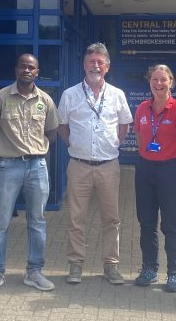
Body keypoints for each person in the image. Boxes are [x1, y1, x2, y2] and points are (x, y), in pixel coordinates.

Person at [0, 54, 60, 294]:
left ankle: (34, 272)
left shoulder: (45, 100)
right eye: (23, 66)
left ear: (37, 72)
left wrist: (35, 151)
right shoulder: (0, 98)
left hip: (37, 167)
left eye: (31, 67)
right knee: (1, 220)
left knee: (37, 221)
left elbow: (52, 133)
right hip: (8, 166)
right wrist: (6, 149)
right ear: (16, 69)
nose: (27, 69)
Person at [58, 42, 133, 285]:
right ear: (84, 64)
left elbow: (124, 126)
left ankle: (111, 265)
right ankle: (75, 264)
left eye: (100, 62)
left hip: (108, 166)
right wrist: (73, 145)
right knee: (75, 217)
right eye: (91, 61)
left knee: (111, 218)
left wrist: (112, 145)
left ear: (107, 67)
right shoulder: (70, 94)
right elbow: (61, 126)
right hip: (78, 165)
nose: (96, 66)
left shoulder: (117, 95)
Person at [132, 64, 176, 293]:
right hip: (145, 169)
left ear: (171, 82)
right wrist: (148, 156)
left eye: (163, 79)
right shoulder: (142, 108)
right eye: (154, 79)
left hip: (170, 169)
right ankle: (149, 268)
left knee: (170, 224)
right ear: (149, 82)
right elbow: (139, 136)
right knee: (146, 223)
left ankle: (175, 272)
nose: (158, 84)